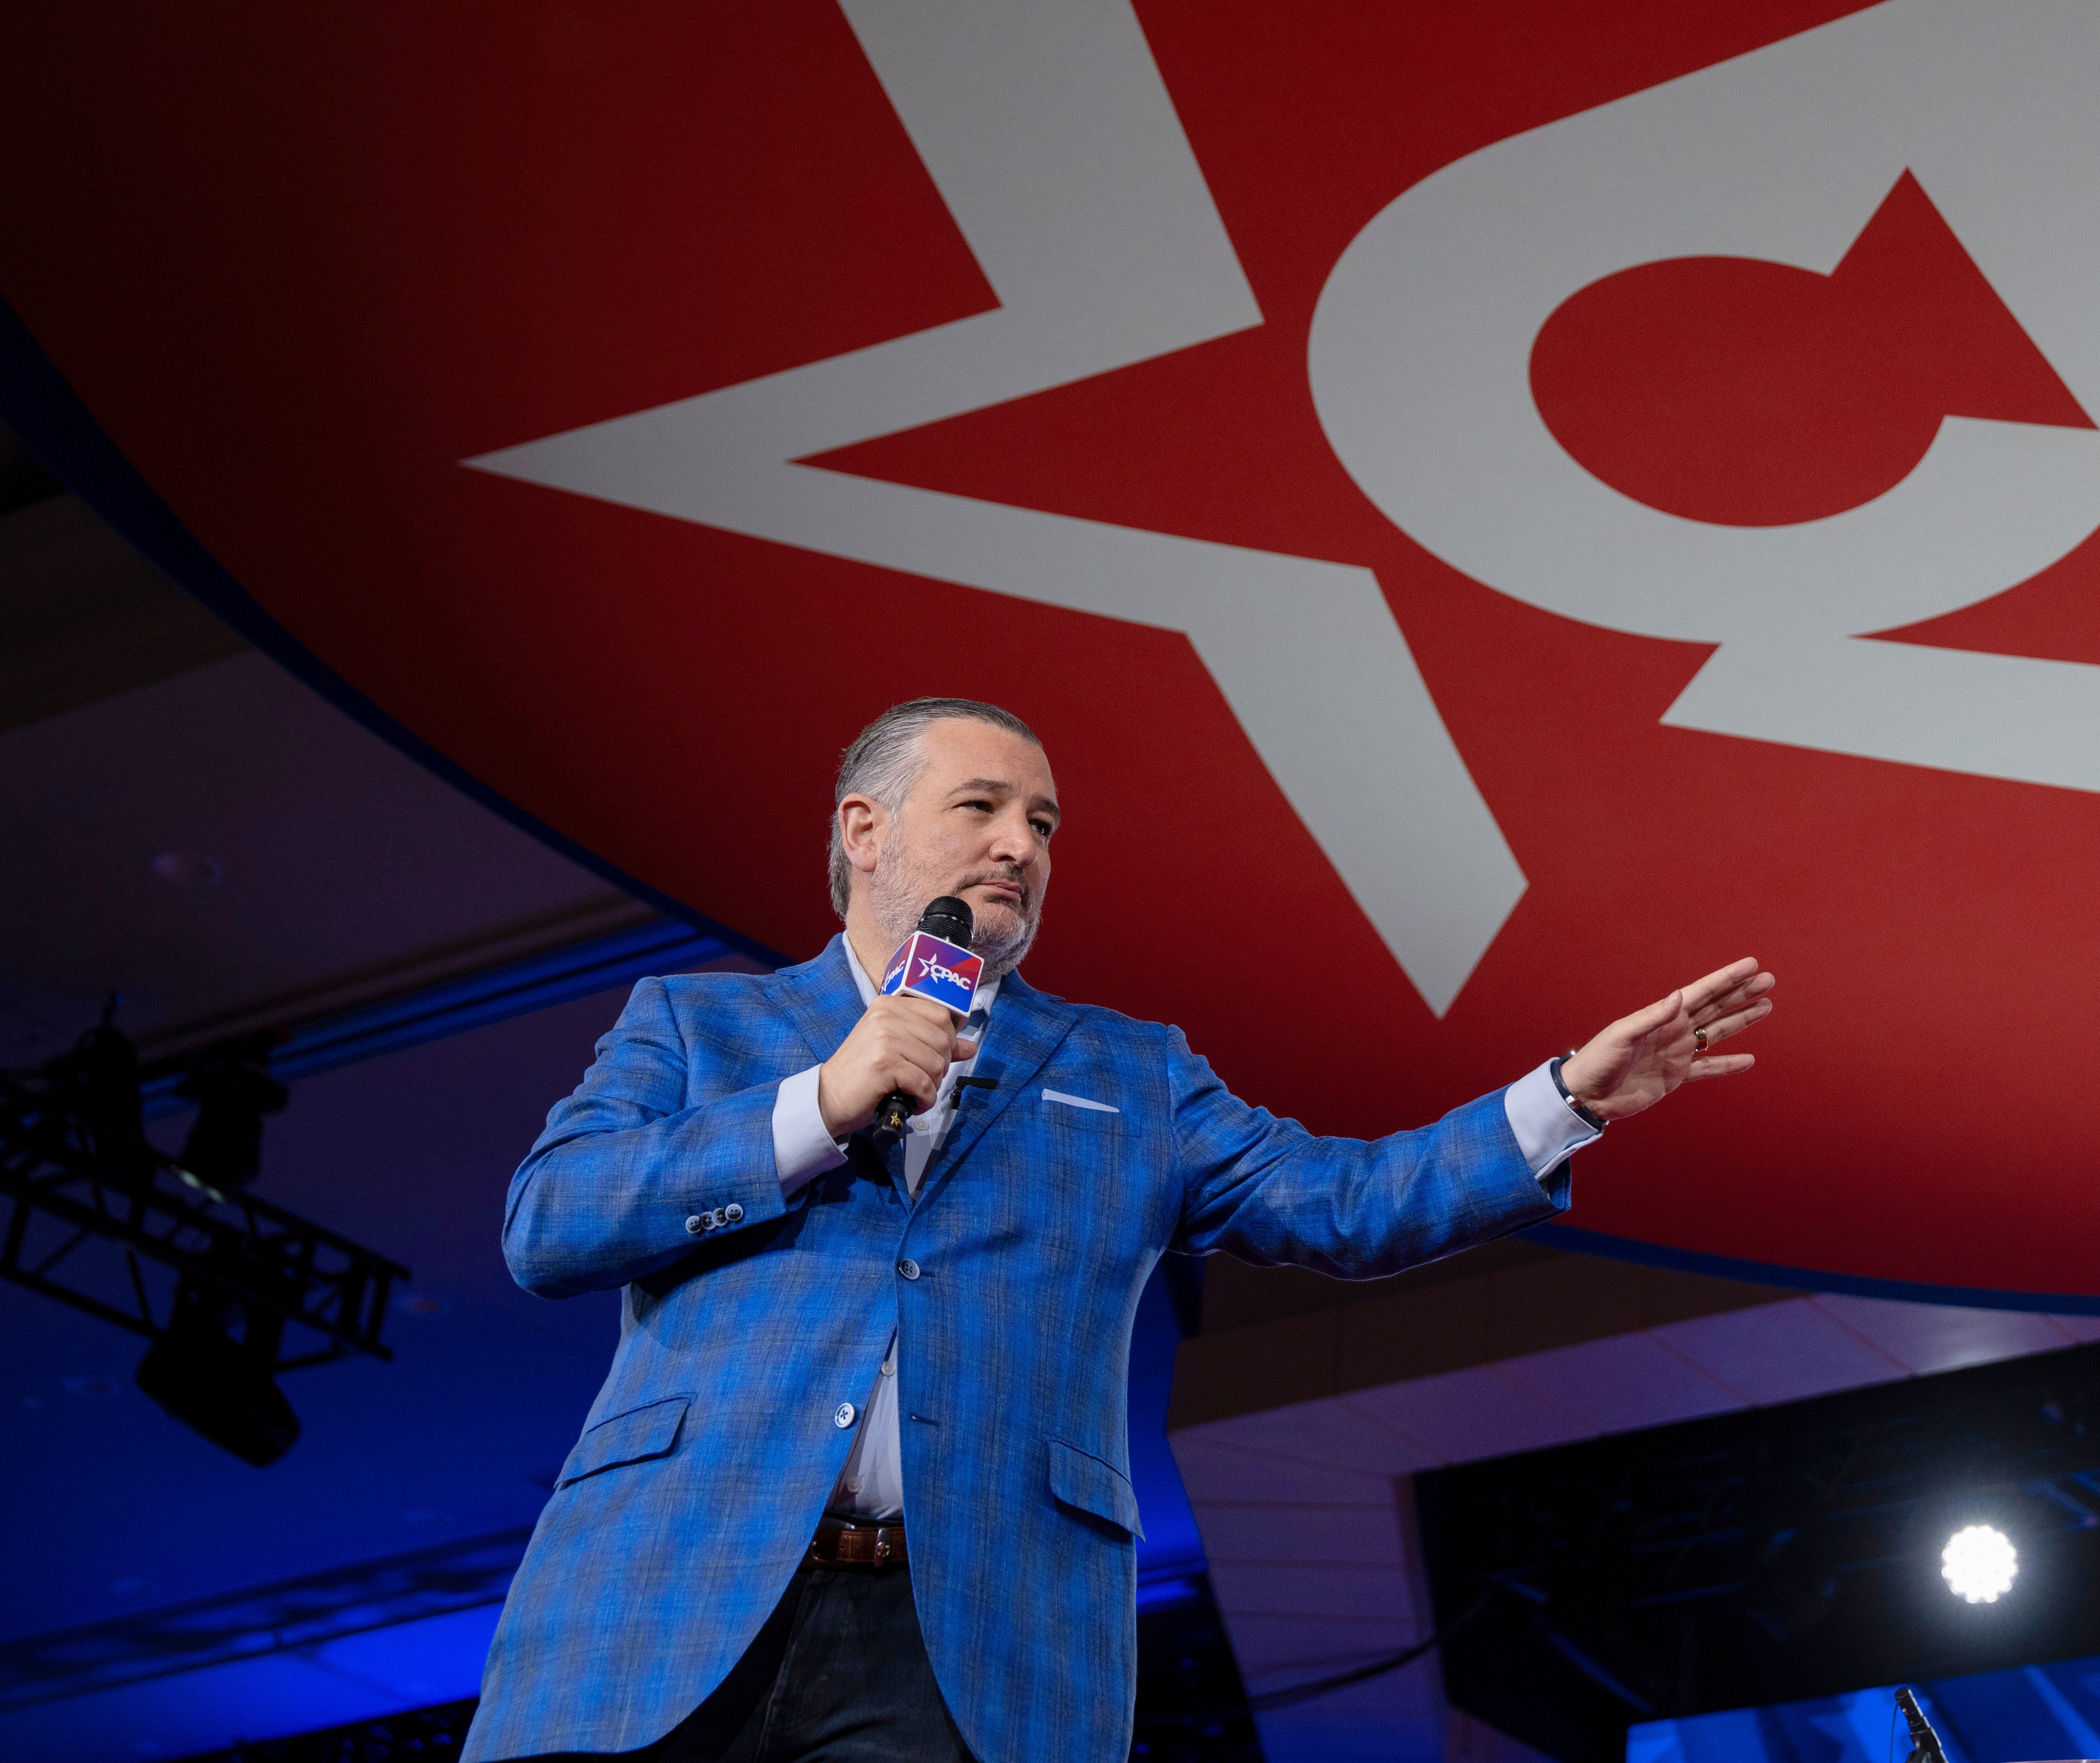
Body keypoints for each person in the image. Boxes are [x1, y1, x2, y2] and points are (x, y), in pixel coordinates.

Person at [466, 696, 1774, 1763]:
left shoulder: (1134, 1076)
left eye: (1041, 822)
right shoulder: (701, 1029)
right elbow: (551, 1224)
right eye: (978, 807)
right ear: (863, 830)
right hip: (665, 1607)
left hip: (971, 1648)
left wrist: (1563, 1104)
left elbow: (1347, 1203)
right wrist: (818, 1105)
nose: (1020, 845)